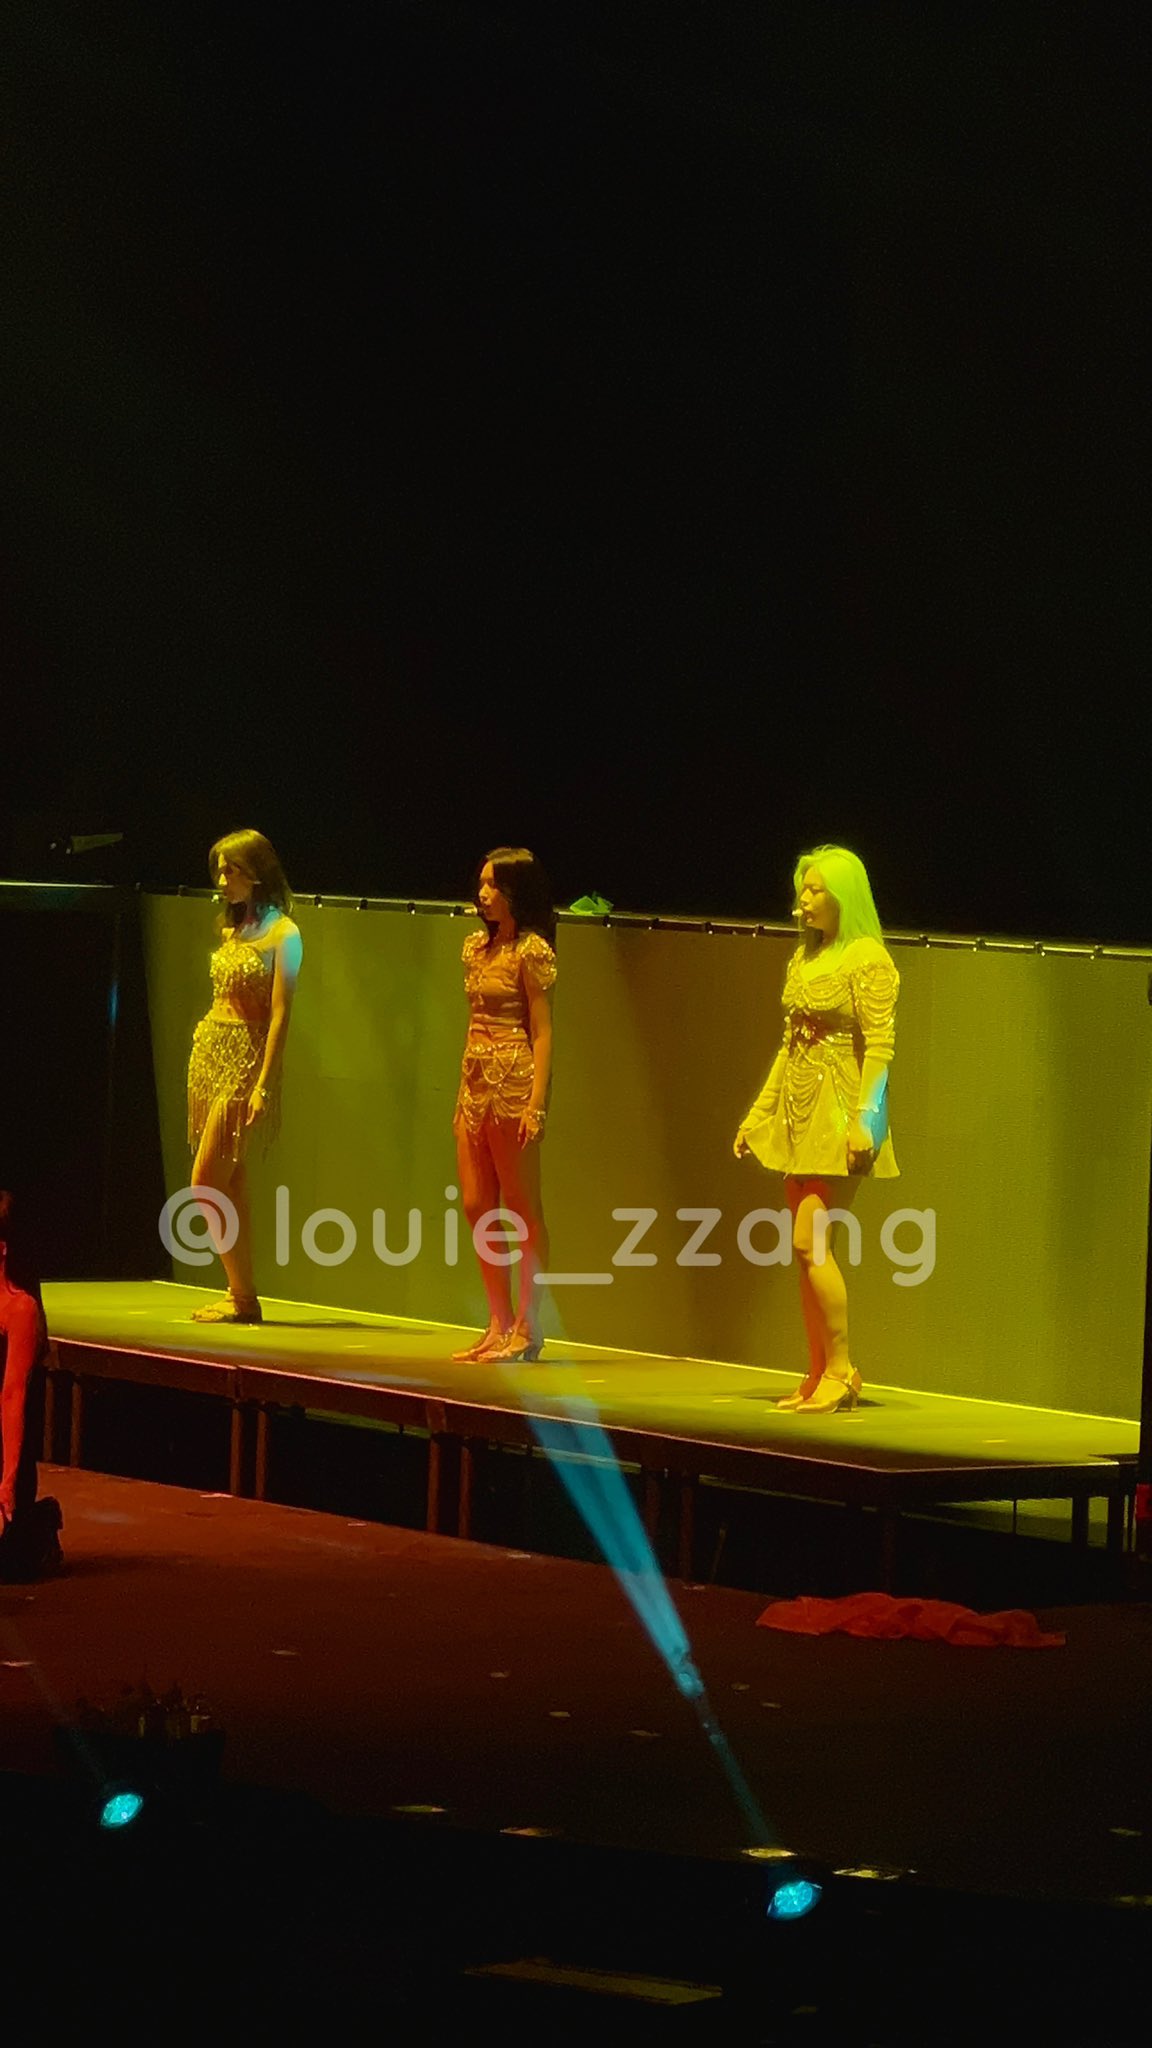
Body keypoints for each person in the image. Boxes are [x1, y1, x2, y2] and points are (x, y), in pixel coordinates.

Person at [734, 845, 900, 1413]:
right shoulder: (805, 957)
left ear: (842, 897)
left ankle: (842, 1368)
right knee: (802, 1250)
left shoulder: (867, 958)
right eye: (801, 890)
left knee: (811, 1240)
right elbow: (788, 1047)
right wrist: (759, 1114)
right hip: (799, 1109)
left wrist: (864, 1119)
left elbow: (880, 1048)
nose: (803, 901)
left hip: (841, 1109)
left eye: (815, 891)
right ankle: (817, 1369)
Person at [187, 830, 303, 1323]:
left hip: (245, 1059)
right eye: (219, 870)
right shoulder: (231, 930)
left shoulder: (284, 934)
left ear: (255, 873)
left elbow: (280, 1015)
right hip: (210, 1050)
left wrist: (263, 1084)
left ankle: (242, 1295)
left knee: (206, 1180)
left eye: (230, 870)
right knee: (231, 1180)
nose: (222, 880)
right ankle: (243, 1295)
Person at [452, 848, 556, 1363]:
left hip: (512, 1079)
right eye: (482, 883)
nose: (483, 893)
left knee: (521, 1206)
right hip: (472, 1081)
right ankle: (497, 1320)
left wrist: (537, 1103)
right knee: (476, 1203)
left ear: (516, 892)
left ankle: (528, 1325)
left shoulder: (530, 951)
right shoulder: (476, 947)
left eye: (493, 885)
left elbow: (543, 1031)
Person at [0, 1191, 63, 1580]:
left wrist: (6, 1482)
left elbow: (12, 1397)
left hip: (4, 1446)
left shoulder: (20, 1308)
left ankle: (40, 1524)